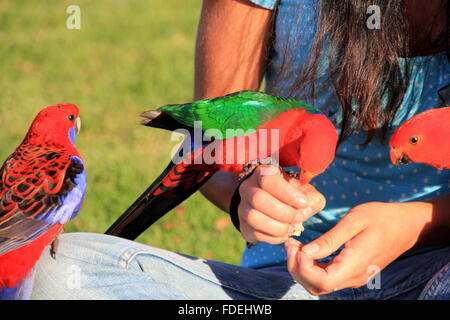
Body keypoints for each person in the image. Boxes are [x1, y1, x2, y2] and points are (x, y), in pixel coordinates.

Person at [31, 0, 449, 299]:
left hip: (437, 270)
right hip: (282, 287)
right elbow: (212, 150)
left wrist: (418, 225)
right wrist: (250, 196)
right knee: (53, 272)